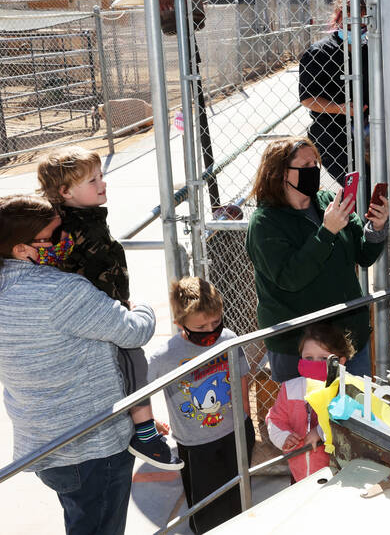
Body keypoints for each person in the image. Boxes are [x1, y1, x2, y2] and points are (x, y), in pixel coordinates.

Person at [0, 194, 155, 535]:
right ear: (22, 249)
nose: (64, 241)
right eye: (54, 236)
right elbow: (134, 332)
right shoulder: (61, 291)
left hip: (44, 445)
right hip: (92, 448)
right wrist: (139, 305)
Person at [36, 146, 182, 470]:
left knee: (127, 369)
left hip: (104, 309)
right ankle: (144, 431)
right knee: (134, 362)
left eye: (101, 176)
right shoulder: (74, 229)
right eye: (92, 180)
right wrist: (118, 307)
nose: (103, 183)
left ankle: (139, 420)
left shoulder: (80, 220)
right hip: (102, 317)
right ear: (65, 191)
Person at [245, 136, 388, 382]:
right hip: (299, 349)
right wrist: (327, 232)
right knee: (305, 418)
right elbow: (291, 277)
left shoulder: (328, 203)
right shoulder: (265, 223)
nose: (314, 170)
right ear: (280, 174)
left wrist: (376, 227)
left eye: (315, 164)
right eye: (305, 166)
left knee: (355, 414)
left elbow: (363, 255)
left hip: (348, 339)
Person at [146, 277, 254, 535]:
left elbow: (241, 375)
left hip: (235, 434)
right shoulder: (165, 355)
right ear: (180, 323)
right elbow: (140, 391)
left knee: (238, 498)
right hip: (195, 444)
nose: (210, 330)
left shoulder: (228, 338)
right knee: (206, 509)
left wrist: (245, 419)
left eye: (215, 322)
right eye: (201, 326)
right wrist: (149, 421)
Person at [265, 322, 354, 483]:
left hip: (336, 474)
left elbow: (346, 423)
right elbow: (275, 419)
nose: (314, 363)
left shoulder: (346, 388)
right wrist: (283, 437)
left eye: (323, 358)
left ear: (340, 361)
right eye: (308, 358)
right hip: (299, 473)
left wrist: (319, 432)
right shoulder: (290, 388)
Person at [299, 0, 369, 185]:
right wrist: (341, 109)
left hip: (372, 130)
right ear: (338, 17)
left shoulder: (373, 50)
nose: (357, 26)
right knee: (356, 186)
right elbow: (307, 98)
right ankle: (355, 211)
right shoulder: (319, 53)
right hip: (332, 133)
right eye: (350, 19)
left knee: (377, 185)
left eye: (362, 21)